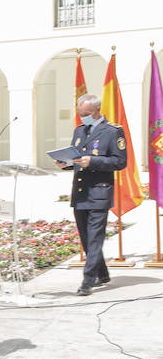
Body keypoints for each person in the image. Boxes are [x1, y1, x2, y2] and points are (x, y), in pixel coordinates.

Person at [57, 93, 125, 296]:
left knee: (95, 237)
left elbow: (120, 161)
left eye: (86, 113)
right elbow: (76, 158)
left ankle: (88, 281)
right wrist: (65, 163)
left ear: (97, 110)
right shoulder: (79, 130)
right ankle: (102, 273)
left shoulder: (113, 131)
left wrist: (93, 161)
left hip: (99, 191)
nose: (83, 117)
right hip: (80, 192)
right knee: (86, 238)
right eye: (80, 113)